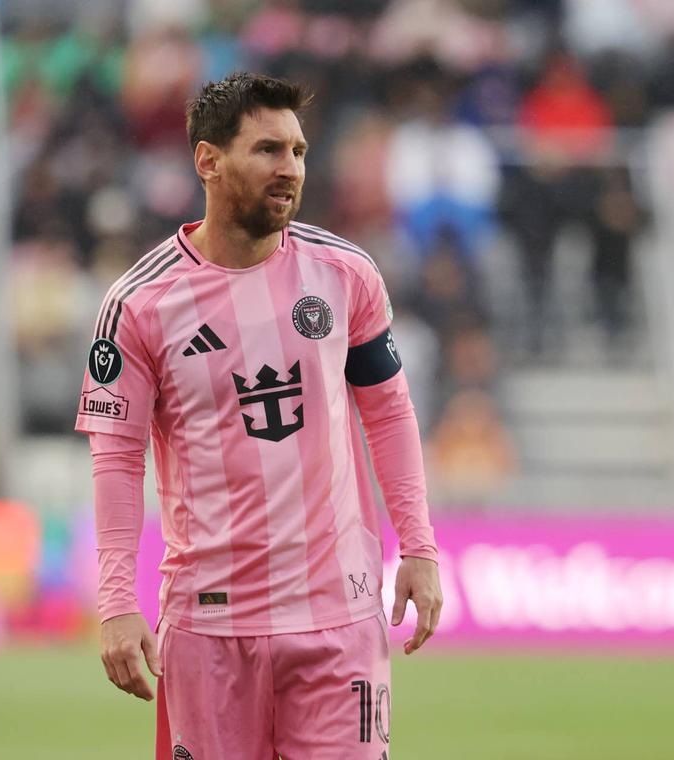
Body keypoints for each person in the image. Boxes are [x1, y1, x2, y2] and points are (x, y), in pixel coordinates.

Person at [74, 72, 443, 759]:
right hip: (212, 624)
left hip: (339, 614)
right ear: (208, 162)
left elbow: (388, 413)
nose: (290, 169)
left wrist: (417, 546)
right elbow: (117, 459)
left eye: (299, 152)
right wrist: (117, 602)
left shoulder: (346, 273)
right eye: (269, 150)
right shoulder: (138, 304)